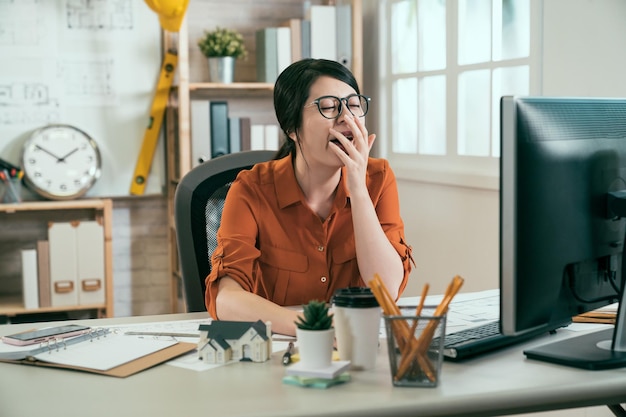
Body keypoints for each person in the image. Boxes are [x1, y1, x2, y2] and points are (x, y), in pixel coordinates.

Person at [205, 58, 414, 336]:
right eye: (328, 107)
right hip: (282, 351)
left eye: (353, 105)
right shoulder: (250, 189)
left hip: (356, 351)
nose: (346, 118)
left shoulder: (378, 178)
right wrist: (316, 328)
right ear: (292, 129)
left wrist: (358, 188)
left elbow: (386, 290)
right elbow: (226, 299)